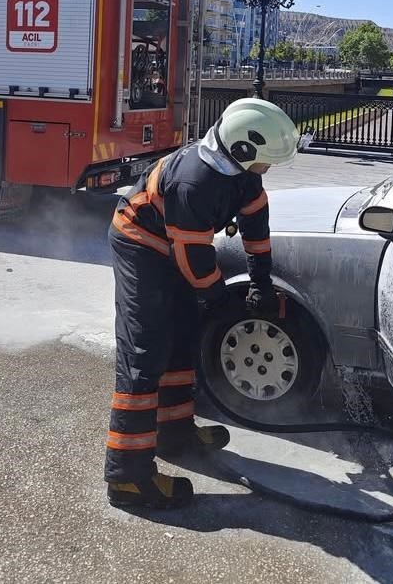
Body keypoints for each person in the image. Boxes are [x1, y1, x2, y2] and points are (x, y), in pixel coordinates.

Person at [105, 98, 300, 509]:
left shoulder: (242, 172)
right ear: (243, 148)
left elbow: (255, 225)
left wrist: (261, 282)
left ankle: (173, 433)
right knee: (144, 353)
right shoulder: (194, 181)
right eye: (266, 161)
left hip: (174, 246)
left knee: (182, 338)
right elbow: (195, 262)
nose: (268, 170)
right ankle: (127, 477)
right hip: (141, 246)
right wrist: (220, 299)